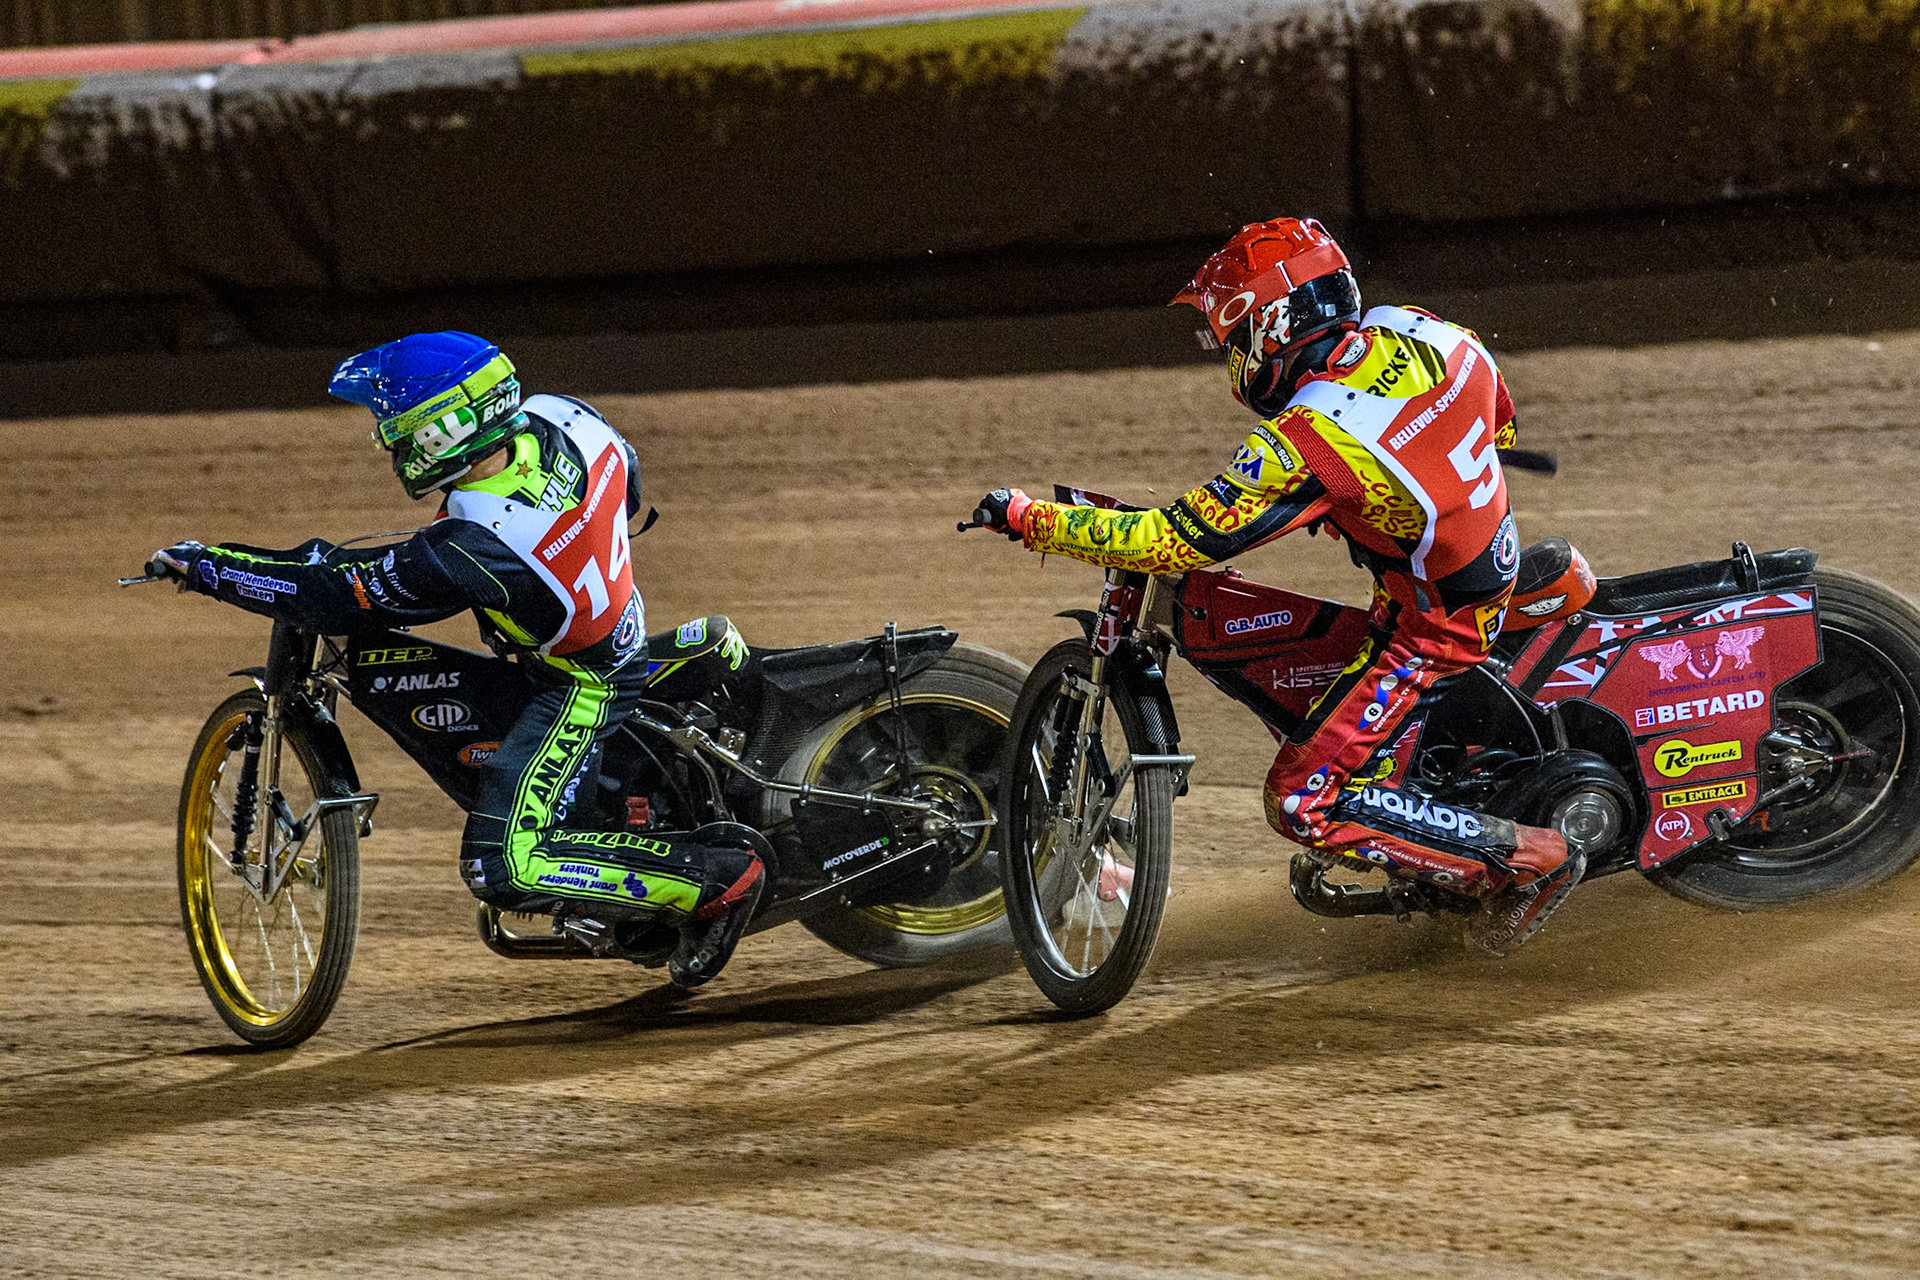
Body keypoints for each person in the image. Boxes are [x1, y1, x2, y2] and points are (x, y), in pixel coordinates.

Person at [970, 217, 1580, 954]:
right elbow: (1501, 425)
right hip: (1466, 575)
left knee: (1301, 801)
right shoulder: (1428, 334)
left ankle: (1523, 862)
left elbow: (1172, 539)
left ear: (1273, 326)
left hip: (1432, 630)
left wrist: (1031, 519)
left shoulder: (1313, 437)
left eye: (1234, 335)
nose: (1231, 354)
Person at [151, 331, 765, 986]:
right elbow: (632, 483)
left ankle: (713, 883)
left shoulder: (471, 545)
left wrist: (210, 567)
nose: (387, 441)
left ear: (444, 432)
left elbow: (333, 595)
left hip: (584, 683)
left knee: (502, 867)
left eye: (397, 426)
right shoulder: (567, 418)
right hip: (609, 626)